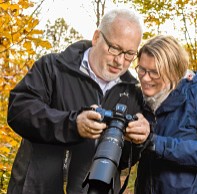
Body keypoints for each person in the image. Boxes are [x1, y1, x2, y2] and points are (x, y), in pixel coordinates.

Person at [7, 8, 150, 194]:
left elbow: (123, 161)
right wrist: (72, 124)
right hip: (36, 187)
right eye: (114, 48)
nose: (120, 61)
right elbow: (19, 110)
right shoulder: (52, 67)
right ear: (97, 37)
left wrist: (138, 141)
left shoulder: (132, 92)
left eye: (130, 54)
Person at [132, 35, 197, 193]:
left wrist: (158, 144)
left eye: (154, 72)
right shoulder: (140, 101)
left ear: (173, 73)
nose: (145, 78)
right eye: (142, 69)